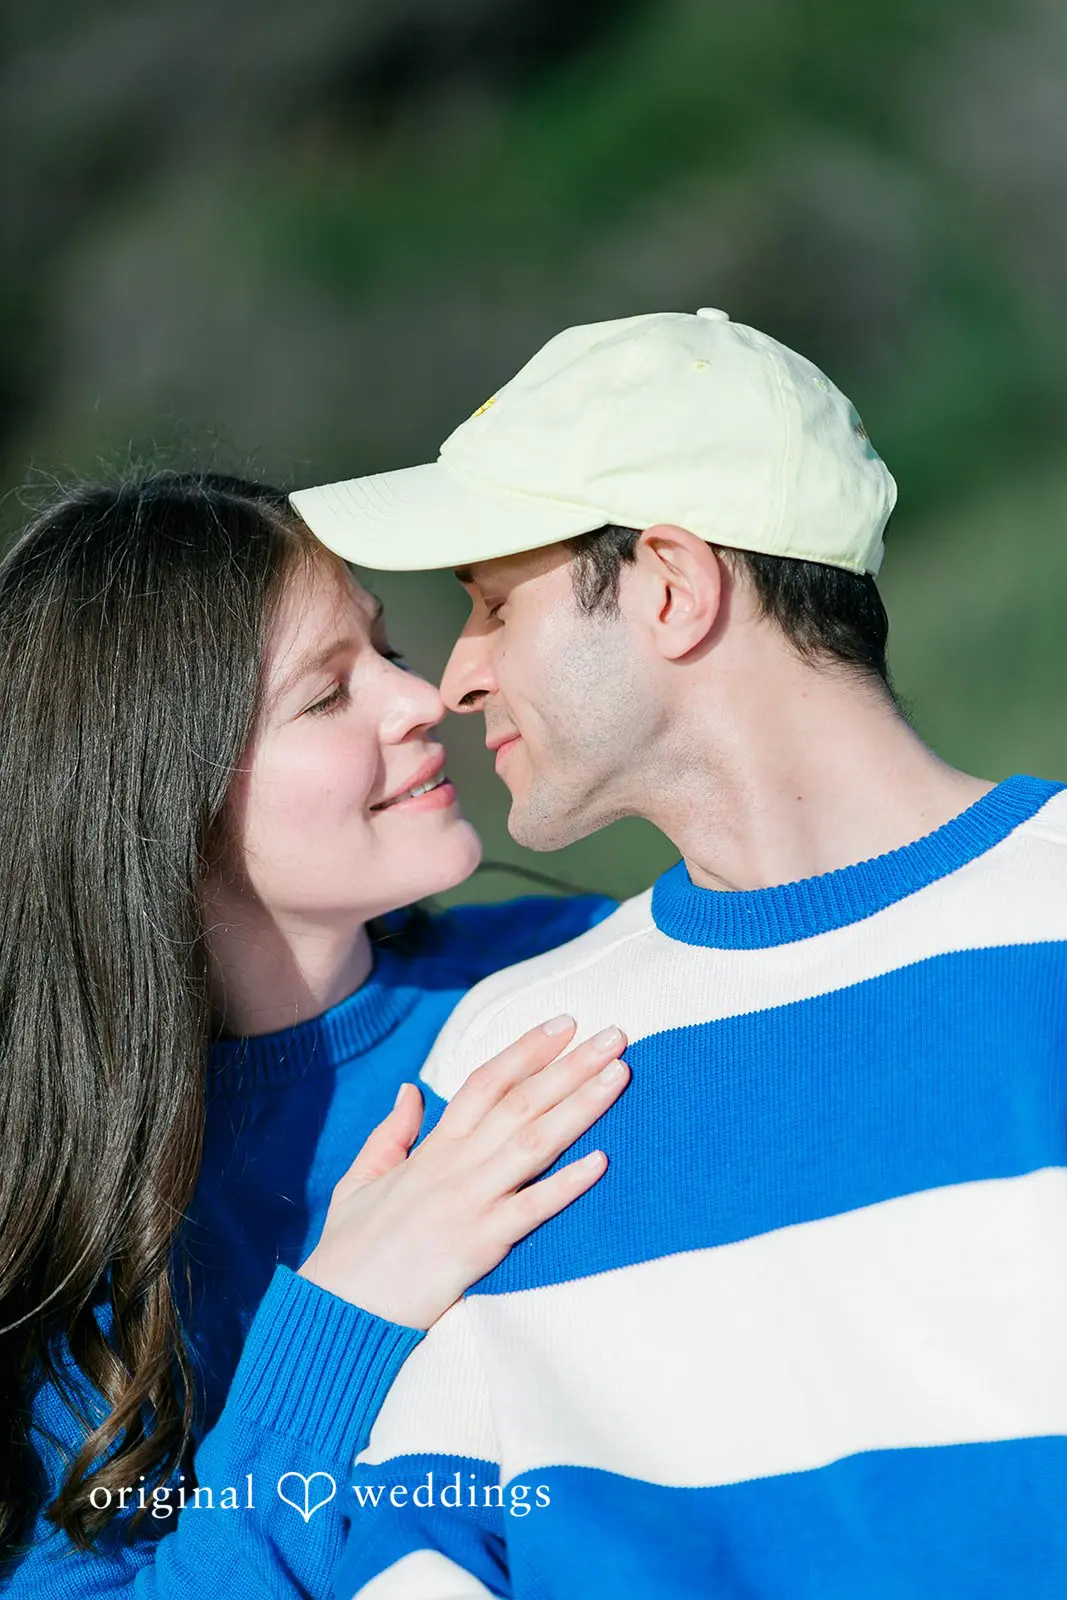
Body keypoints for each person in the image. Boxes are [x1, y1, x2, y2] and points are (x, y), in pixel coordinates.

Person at [292, 309, 1067, 1599]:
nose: (456, 678)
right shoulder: (509, 1058)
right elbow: (418, 1539)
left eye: (492, 605)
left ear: (670, 585)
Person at [0, 474, 633, 1599]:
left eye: (386, 650)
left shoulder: (595, 972)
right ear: (161, 799)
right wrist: (346, 1312)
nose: (422, 698)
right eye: (327, 694)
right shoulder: (69, 1221)